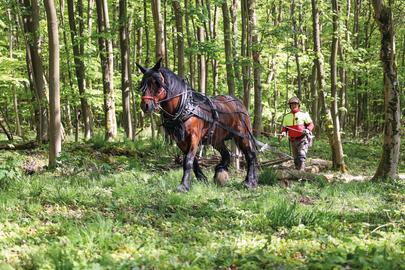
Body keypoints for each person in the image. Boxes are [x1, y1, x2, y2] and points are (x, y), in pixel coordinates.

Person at [279, 96, 314, 171]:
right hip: (292, 140)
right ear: (290, 106)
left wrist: (308, 129)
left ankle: (302, 172)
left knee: (302, 155)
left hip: (302, 139)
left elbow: (311, 124)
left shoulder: (304, 114)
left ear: (298, 105)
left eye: (295, 104)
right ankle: (297, 172)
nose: (293, 106)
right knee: (295, 158)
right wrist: (283, 133)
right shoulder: (286, 117)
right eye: (292, 104)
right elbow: (284, 128)